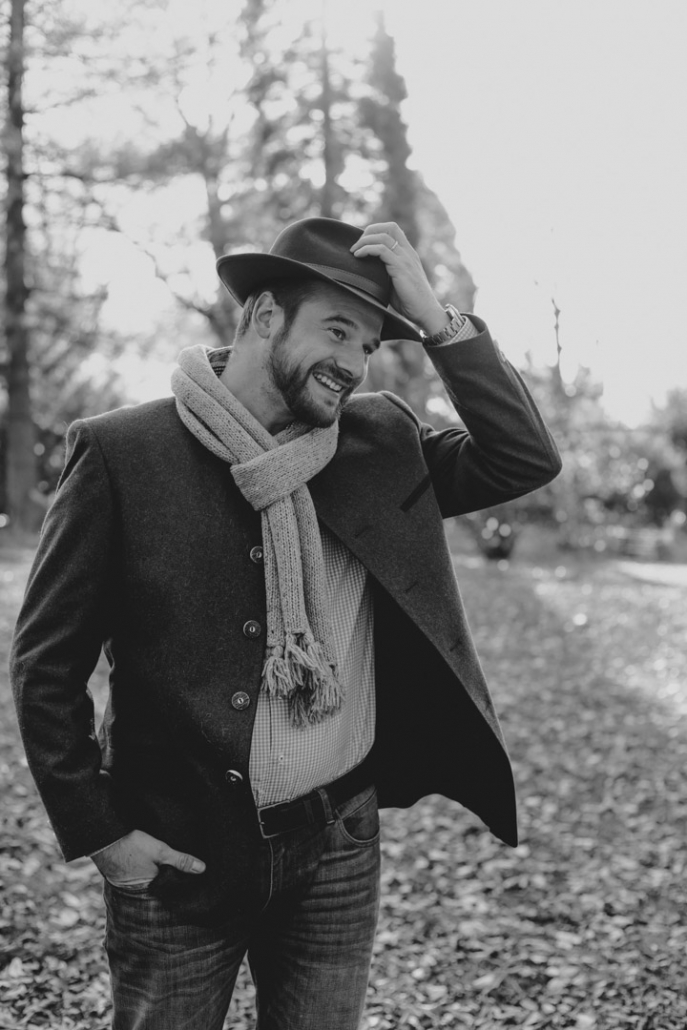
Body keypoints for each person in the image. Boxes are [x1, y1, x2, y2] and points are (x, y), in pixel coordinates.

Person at [11, 217, 561, 1030]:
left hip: (340, 843)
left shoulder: (380, 441)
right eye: (336, 330)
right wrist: (102, 834)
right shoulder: (123, 453)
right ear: (265, 315)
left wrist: (438, 321)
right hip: (180, 852)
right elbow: (45, 665)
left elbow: (523, 458)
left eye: (367, 344)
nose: (353, 362)